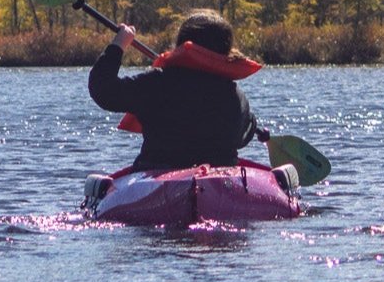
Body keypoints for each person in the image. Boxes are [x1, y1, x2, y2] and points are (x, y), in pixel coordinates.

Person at [87, 9, 265, 170]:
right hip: (218, 181)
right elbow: (243, 137)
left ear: (180, 44)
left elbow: (103, 89)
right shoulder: (235, 95)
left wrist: (119, 44)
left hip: (159, 175)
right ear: (225, 52)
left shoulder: (157, 83)